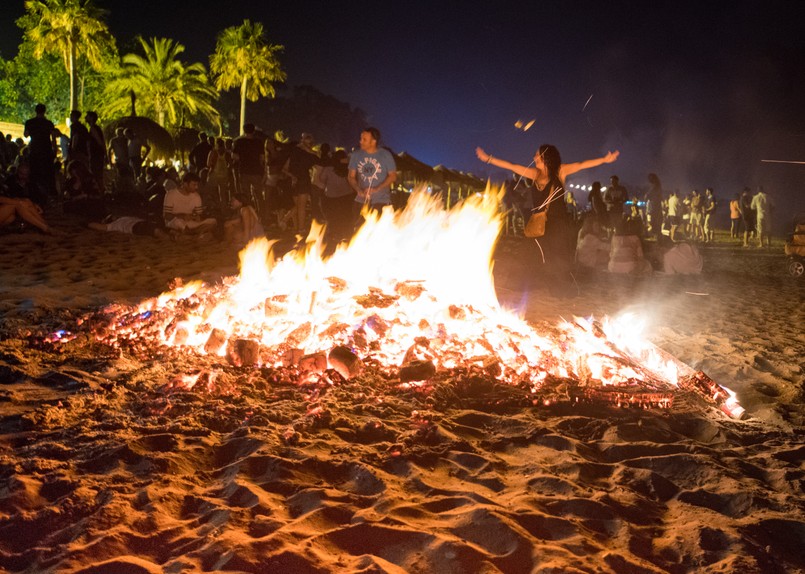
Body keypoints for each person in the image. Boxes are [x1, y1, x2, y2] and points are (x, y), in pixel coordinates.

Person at [475, 144, 619, 292]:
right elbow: (512, 166)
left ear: (545, 157)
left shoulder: (560, 171)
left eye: (536, 154)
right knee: (530, 252)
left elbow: (581, 165)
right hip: (538, 223)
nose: (533, 157)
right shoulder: (534, 174)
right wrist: (488, 159)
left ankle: (558, 288)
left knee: (556, 257)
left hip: (557, 223)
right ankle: (528, 287)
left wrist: (604, 159)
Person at [349, 127, 397, 224]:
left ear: (373, 141)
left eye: (364, 139)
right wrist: (358, 190)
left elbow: (393, 176)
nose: (360, 141)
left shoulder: (385, 155)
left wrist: (376, 189)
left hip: (381, 201)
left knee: (379, 233)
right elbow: (351, 176)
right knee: (358, 231)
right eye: (360, 138)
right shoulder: (356, 155)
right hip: (361, 201)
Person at [315, 148, 355, 248]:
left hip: (332, 198)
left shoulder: (329, 169)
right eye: (344, 158)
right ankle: (345, 237)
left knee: (334, 218)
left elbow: (321, 179)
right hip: (346, 197)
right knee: (345, 218)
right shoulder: (349, 169)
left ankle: (335, 237)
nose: (346, 160)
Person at [283, 133, 319, 234]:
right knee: (301, 206)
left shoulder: (293, 151)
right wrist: (307, 149)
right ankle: (300, 228)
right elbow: (318, 158)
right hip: (303, 179)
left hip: (294, 181)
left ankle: (289, 222)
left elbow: (284, 169)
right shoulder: (308, 154)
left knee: (298, 206)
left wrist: (292, 176)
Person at [23, 103, 58, 203]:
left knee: (34, 172)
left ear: (36, 111)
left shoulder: (29, 122)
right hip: (46, 150)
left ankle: (34, 193)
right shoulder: (49, 123)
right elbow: (54, 138)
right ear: (44, 111)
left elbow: (25, 135)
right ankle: (49, 194)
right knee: (47, 173)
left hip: (34, 149)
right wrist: (54, 149)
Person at [162, 172, 217, 236]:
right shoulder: (171, 194)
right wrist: (182, 216)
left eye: (197, 185)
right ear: (185, 184)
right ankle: (195, 232)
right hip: (175, 222)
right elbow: (166, 216)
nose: (196, 187)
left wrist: (196, 217)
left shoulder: (196, 196)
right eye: (194, 185)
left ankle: (190, 233)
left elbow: (199, 214)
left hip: (190, 223)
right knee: (178, 222)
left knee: (212, 221)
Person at [232, 123, 265, 211]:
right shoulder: (259, 142)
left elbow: (234, 156)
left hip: (244, 170)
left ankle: (249, 213)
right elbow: (262, 158)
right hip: (256, 171)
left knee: (245, 196)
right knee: (259, 195)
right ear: (254, 131)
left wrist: (243, 158)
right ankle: (261, 213)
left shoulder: (239, 142)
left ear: (244, 130)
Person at [88, 216, 167, 238]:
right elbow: (98, 226)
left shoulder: (123, 218)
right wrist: (88, 223)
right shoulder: (112, 225)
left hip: (142, 222)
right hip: (135, 227)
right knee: (155, 230)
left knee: (162, 227)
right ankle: (168, 238)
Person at [85, 111, 107, 192]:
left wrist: (103, 153)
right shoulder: (94, 128)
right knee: (98, 174)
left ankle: (100, 191)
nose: (85, 118)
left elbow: (99, 141)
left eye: (87, 116)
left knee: (96, 174)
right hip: (97, 154)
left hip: (96, 155)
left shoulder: (93, 128)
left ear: (91, 118)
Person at [645, 173, 663, 241]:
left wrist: (647, 196)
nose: (649, 180)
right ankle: (657, 237)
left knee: (655, 222)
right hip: (655, 207)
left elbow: (648, 195)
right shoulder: (656, 186)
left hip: (656, 207)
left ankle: (657, 237)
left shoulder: (655, 186)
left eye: (650, 178)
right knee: (655, 223)